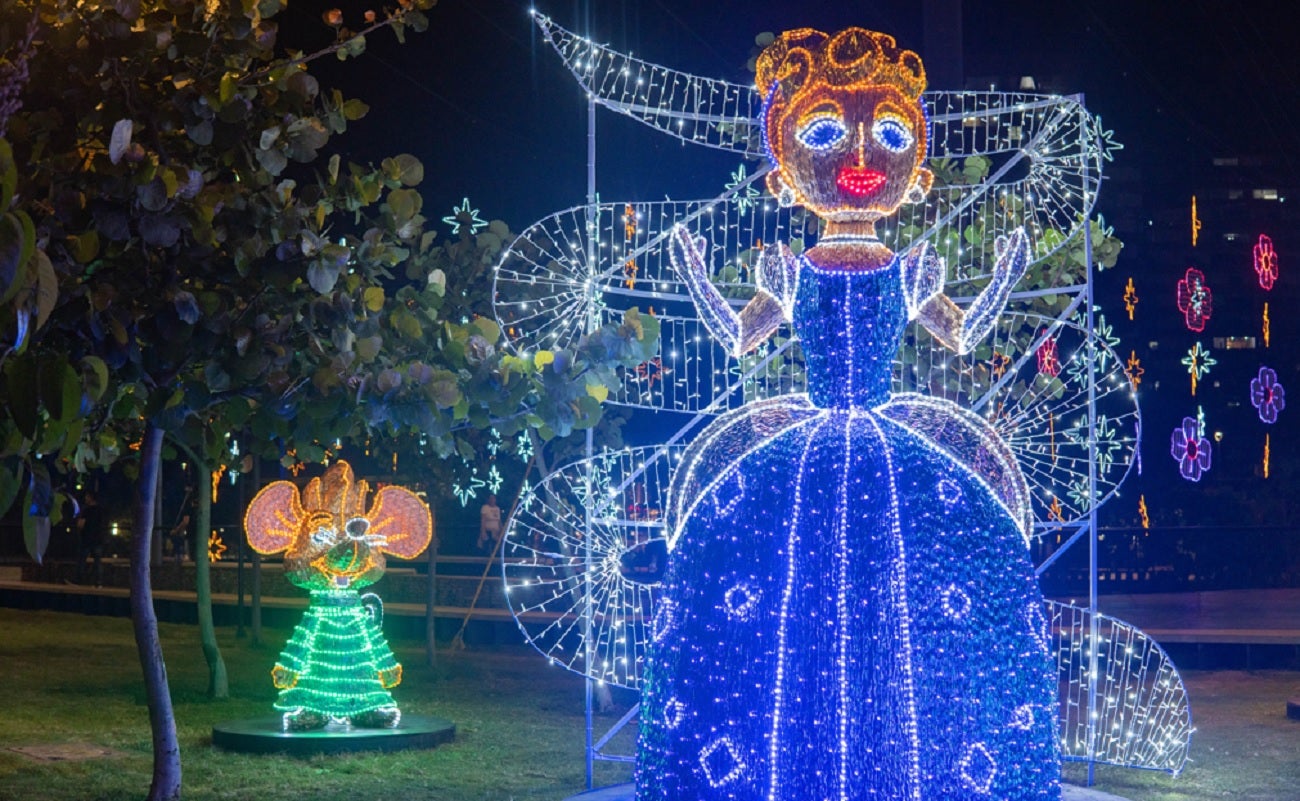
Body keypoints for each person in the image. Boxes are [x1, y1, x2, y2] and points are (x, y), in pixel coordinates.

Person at [637, 28, 1058, 801]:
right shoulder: (791, 272)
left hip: (892, 440)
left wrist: (1005, 279)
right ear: (785, 173)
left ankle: (911, 763)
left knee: (910, 586)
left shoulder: (909, 270)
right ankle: (793, 761)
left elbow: (960, 334)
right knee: (786, 587)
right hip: (807, 442)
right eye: (827, 132)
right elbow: (737, 337)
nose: (862, 157)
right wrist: (697, 277)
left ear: (917, 172)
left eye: (889, 134)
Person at [74, 490, 106, 587]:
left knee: (82, 560)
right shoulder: (100, 510)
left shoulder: (87, 510)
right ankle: (98, 582)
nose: (85, 498)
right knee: (97, 561)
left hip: (87, 538)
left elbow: (81, 525)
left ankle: (79, 580)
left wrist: (78, 523)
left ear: (90, 498)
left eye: (87, 496)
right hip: (98, 538)